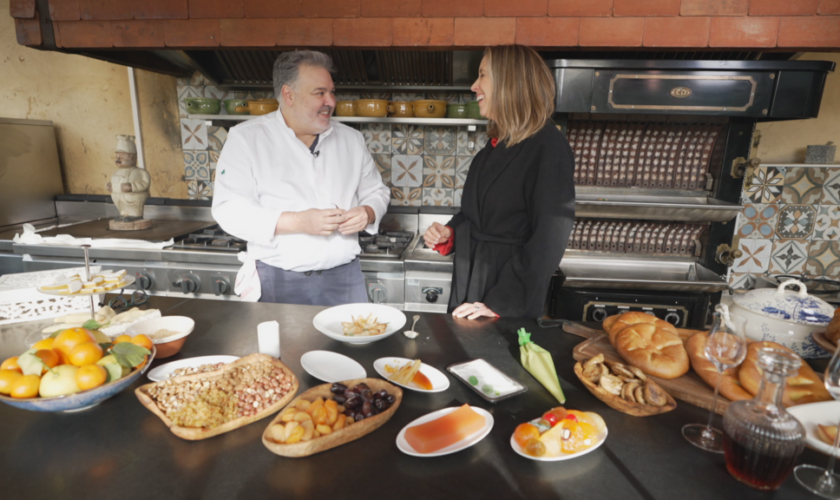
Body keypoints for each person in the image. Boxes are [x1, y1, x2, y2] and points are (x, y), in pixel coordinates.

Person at [212, 50, 390, 305]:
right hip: (278, 279)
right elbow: (229, 209)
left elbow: (377, 191)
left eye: (332, 92)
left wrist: (368, 212)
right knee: (280, 348)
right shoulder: (246, 138)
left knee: (351, 346)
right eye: (320, 93)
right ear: (288, 94)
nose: (331, 101)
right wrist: (297, 222)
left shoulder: (351, 139)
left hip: (345, 279)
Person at [424, 45, 575, 319]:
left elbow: (550, 237)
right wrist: (451, 232)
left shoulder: (547, 146)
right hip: (473, 278)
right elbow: (476, 216)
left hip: (507, 295)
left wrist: (501, 302)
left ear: (510, 82)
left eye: (482, 75)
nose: (474, 86)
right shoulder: (492, 149)